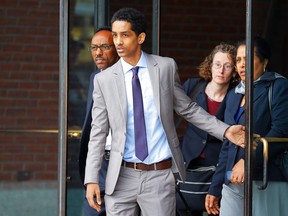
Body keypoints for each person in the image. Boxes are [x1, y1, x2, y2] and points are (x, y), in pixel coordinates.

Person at [85, 8, 245, 216]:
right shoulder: (103, 80)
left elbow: (188, 109)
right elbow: (97, 132)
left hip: (158, 176)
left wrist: (225, 131)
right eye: (115, 35)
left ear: (140, 37)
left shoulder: (165, 67)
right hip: (120, 177)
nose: (118, 42)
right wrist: (91, 179)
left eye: (125, 35)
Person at [205, 36, 288, 216]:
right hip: (231, 181)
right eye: (238, 60)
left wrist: (247, 161)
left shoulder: (279, 85)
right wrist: (215, 186)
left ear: (264, 61)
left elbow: (280, 131)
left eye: (248, 59)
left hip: (265, 178)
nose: (242, 65)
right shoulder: (234, 93)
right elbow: (227, 143)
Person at [176, 43, 238, 216]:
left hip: (217, 167)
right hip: (187, 163)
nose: (221, 70)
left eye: (227, 66)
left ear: (233, 71)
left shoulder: (236, 96)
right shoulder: (193, 86)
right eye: (217, 64)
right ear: (210, 65)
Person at [78, 26, 119, 216]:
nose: (98, 53)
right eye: (94, 48)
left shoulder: (132, 78)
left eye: (104, 47)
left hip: (125, 164)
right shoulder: (95, 77)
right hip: (100, 162)